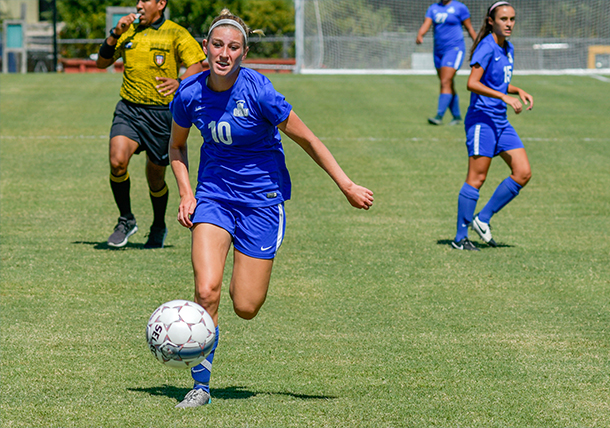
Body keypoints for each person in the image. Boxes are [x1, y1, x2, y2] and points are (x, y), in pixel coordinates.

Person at [168, 9, 374, 408]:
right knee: (206, 291)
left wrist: (346, 185)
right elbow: (176, 146)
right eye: (217, 45)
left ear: (244, 53)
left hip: (261, 203)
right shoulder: (189, 93)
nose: (224, 54)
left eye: (233, 47)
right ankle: (200, 387)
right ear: (205, 47)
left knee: (245, 306)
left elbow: (309, 140)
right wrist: (186, 193)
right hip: (214, 197)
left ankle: (241, 282)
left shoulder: (259, 91)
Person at [96, 0, 206, 249]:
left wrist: (180, 82)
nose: (138, 5)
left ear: (160, 4)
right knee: (117, 161)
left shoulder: (176, 32)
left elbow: (197, 65)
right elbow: (102, 63)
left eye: (144, 0)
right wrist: (115, 33)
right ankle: (126, 219)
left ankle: (158, 226)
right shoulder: (128, 31)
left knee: (156, 178)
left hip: (161, 114)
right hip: (129, 109)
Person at [451, 1, 533, 251]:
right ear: (491, 21)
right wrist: (504, 97)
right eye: (503, 19)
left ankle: (483, 218)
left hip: (500, 121)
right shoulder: (486, 47)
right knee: (477, 178)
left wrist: (517, 90)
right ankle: (460, 238)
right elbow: (472, 83)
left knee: (523, 172)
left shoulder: (508, 47)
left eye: (512, 19)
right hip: (482, 120)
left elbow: (497, 82)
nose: (509, 24)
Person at [416, 0, 477, 126]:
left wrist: (479, 45)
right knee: (447, 83)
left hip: (454, 49)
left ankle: (439, 116)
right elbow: (427, 23)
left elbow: (469, 28)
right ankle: (457, 116)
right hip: (438, 51)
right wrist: (420, 35)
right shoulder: (433, 8)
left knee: (445, 82)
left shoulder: (460, 8)